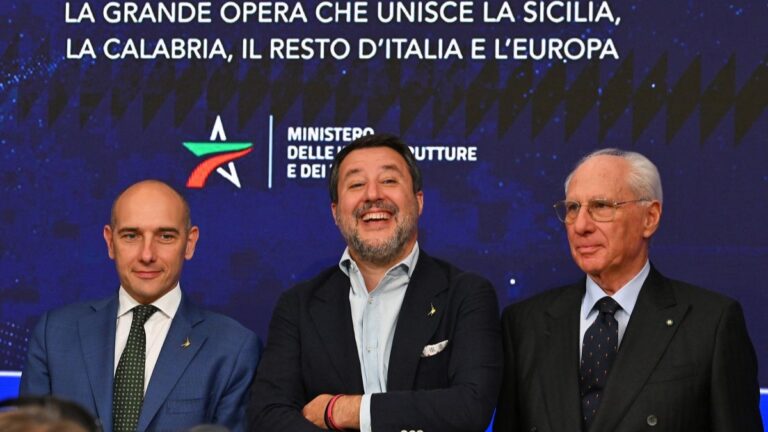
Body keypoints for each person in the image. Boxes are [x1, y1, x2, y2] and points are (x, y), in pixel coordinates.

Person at [494, 149, 762, 431]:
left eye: (601, 206)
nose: (581, 226)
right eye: (573, 208)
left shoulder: (711, 324)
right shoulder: (524, 324)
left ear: (650, 218)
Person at [249, 134, 502, 432]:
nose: (372, 195)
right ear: (335, 211)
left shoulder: (466, 294)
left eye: (389, 181)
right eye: (356, 184)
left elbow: (470, 407)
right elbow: (267, 414)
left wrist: (343, 410)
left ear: (418, 201)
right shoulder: (298, 305)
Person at [21, 180, 261, 432]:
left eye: (165, 236)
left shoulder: (234, 348)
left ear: (190, 243)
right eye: (131, 236)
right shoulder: (54, 335)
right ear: (110, 242)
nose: (147, 255)